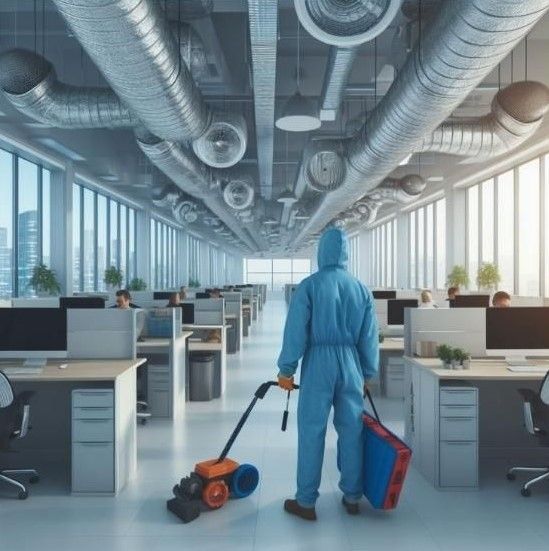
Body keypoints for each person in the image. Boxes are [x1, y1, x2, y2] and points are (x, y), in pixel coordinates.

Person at [277, 227, 379, 521]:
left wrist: (287, 369)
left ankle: (306, 502)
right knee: (352, 432)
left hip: (319, 363)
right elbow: (370, 337)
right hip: (351, 364)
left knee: (312, 431)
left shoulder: (309, 286)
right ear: (346, 253)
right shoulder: (360, 288)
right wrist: (367, 372)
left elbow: (295, 331)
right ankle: (352, 497)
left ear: (321, 252)